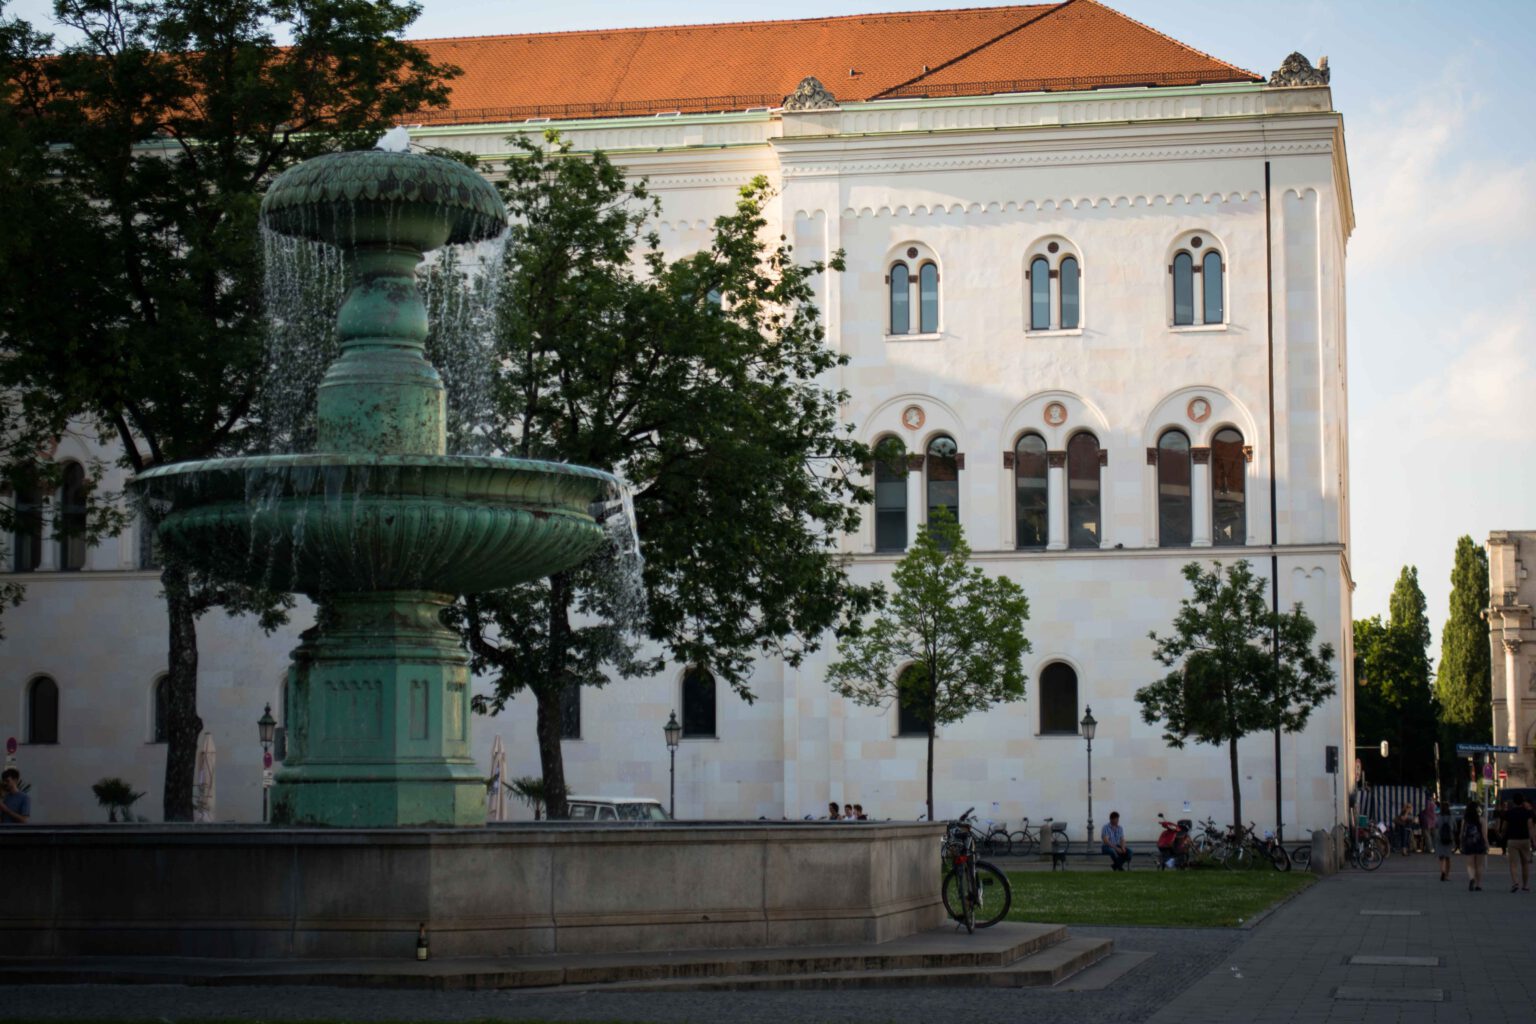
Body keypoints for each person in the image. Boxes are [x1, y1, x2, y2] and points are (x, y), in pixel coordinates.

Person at [1502, 792, 1533, 893]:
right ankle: (1525, 885)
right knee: (1525, 864)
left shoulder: (1509, 813)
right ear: (1522, 801)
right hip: (1525, 840)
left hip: (1512, 840)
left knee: (1513, 863)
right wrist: (1533, 840)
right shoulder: (1527, 813)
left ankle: (1515, 882)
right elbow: (1530, 827)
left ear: (1514, 802)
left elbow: (1504, 827)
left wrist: (1502, 834)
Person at [1457, 801, 1488, 891]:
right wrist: (1487, 844)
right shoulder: (1482, 820)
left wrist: (1460, 843)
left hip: (1468, 843)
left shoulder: (1465, 820)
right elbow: (1484, 834)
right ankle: (1478, 885)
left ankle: (1471, 878)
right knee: (1479, 865)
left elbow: (1461, 833)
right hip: (1479, 843)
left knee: (1470, 864)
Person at [1436, 801, 1454, 882]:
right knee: (1448, 858)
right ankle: (1446, 875)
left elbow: (1436, 826)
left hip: (1440, 838)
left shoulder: (1438, 817)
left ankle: (1442, 871)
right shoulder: (1451, 817)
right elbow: (1454, 827)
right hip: (1449, 838)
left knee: (1441, 857)